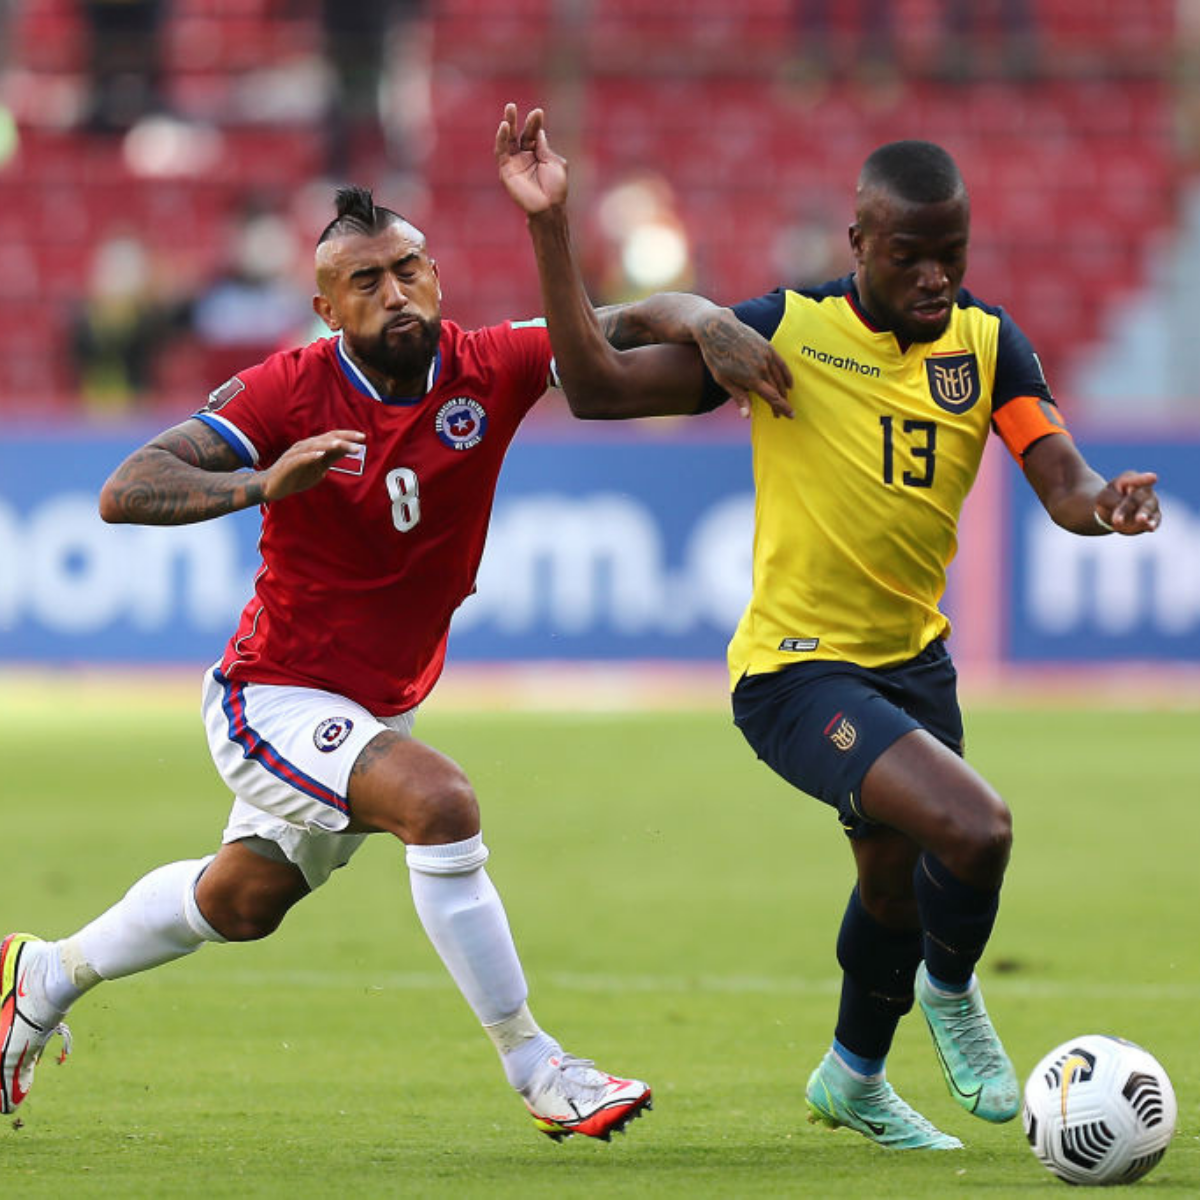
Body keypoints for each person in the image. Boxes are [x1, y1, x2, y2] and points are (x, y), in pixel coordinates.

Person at [495, 105, 1162, 1150]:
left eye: (953, 256)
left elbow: (1060, 475)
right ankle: (952, 993)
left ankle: (852, 1078)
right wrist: (645, 282)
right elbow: (595, 383)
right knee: (976, 830)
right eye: (910, 257)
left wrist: (1102, 506)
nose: (936, 278)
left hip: (915, 666)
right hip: (796, 674)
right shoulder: (789, 328)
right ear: (858, 243)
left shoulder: (989, 348)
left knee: (893, 884)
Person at [1, 184, 656, 1143]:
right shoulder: (289, 387)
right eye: (366, 281)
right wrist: (264, 481)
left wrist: (706, 322)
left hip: (378, 702)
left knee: (243, 899)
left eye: (408, 270)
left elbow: (620, 325)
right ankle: (539, 1065)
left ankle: (42, 976)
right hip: (270, 697)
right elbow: (126, 487)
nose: (395, 293)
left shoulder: (487, 362)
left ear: (434, 275)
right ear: (328, 308)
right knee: (440, 805)